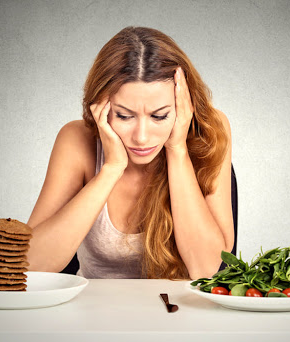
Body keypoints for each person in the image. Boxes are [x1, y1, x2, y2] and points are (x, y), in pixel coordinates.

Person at [27, 26, 233, 280]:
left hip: (180, 315)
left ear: (183, 107)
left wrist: (177, 150)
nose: (142, 137)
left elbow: (207, 269)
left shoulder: (210, 131)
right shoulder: (76, 139)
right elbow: (30, 264)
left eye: (160, 116)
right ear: (100, 105)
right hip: (94, 315)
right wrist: (111, 169)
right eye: (124, 116)